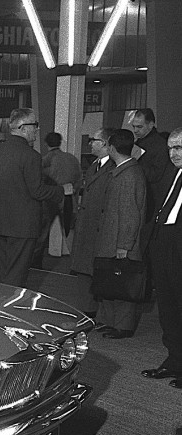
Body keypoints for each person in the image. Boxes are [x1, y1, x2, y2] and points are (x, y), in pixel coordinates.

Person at [0, 108, 65, 287]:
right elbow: (37, 191)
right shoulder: (31, 156)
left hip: (1, 222)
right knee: (16, 275)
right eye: (35, 125)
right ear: (23, 128)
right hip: (23, 226)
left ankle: (0, 303)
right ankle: (12, 304)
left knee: (2, 273)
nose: (37, 130)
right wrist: (60, 191)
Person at [92, 129, 147, 340]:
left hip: (120, 240)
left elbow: (131, 214)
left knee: (124, 282)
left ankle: (123, 325)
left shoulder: (129, 175)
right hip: (112, 238)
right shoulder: (125, 171)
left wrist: (124, 244)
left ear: (112, 148)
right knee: (110, 280)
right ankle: (109, 320)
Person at [142, 127, 182, 389]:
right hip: (163, 245)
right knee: (168, 308)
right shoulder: (172, 172)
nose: (173, 153)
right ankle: (174, 361)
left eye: (178, 148)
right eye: (170, 148)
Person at [69, 128, 114, 319]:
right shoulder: (94, 165)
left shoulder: (113, 168)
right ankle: (85, 307)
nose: (90, 144)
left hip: (97, 226)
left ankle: (94, 309)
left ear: (104, 143)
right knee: (84, 269)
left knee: (95, 270)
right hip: (86, 224)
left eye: (93, 140)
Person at [40, 131, 82, 262]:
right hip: (69, 199)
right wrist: (73, 190)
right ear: (60, 142)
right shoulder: (72, 159)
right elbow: (79, 179)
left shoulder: (45, 160)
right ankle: (75, 262)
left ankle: (36, 263)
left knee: (43, 232)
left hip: (50, 200)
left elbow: (41, 180)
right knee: (69, 231)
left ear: (46, 144)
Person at [131, 108, 174, 221]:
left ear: (150, 125)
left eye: (139, 127)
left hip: (151, 201)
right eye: (133, 127)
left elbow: (156, 175)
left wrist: (135, 163)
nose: (135, 130)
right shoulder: (138, 142)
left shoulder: (160, 145)